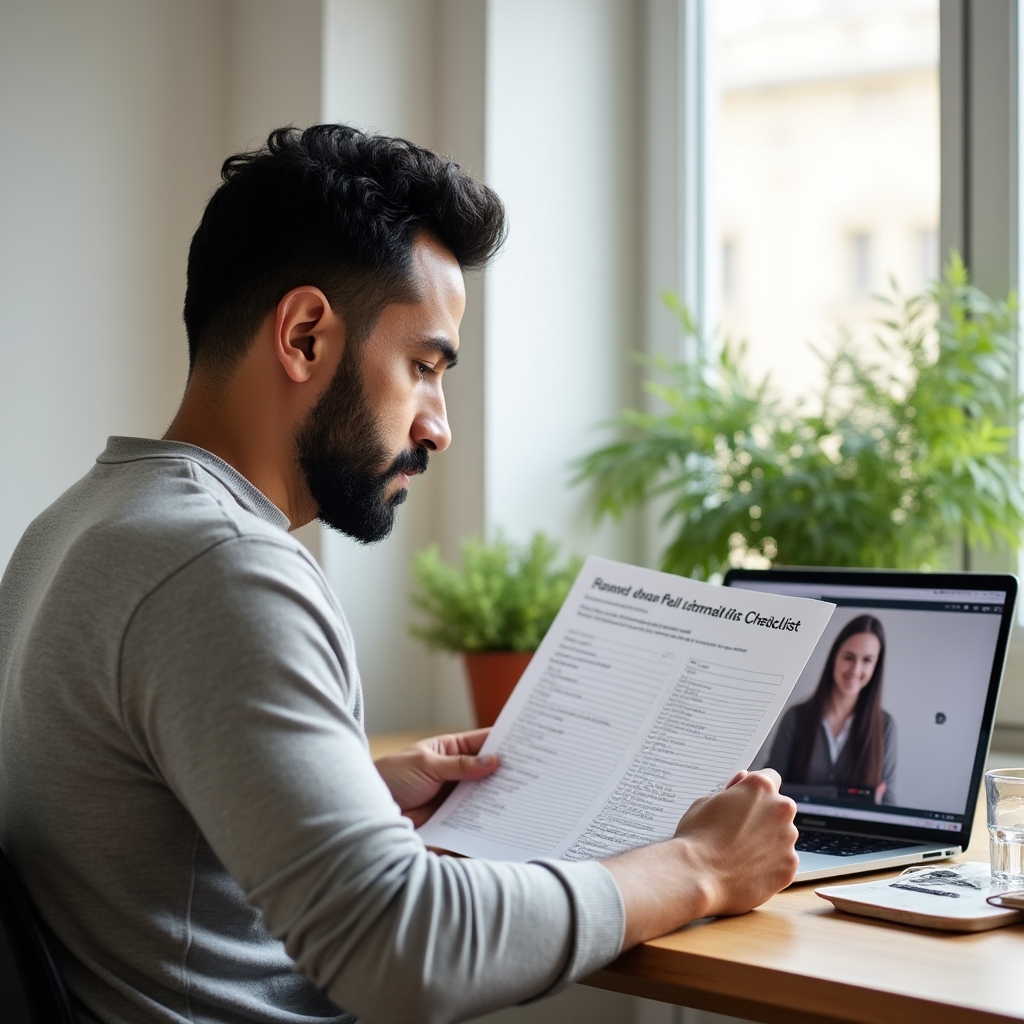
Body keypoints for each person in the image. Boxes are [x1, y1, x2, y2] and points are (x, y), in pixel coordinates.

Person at [0, 125, 799, 1024]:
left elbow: (132, 832)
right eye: (423, 366)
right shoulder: (224, 567)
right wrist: (699, 866)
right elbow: (400, 954)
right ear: (305, 336)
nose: (437, 426)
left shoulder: (79, 524)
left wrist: (360, 788)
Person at [766, 614, 897, 806]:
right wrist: (845, 795)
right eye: (849, 657)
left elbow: (887, 803)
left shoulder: (885, 726)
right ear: (834, 657)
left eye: (867, 660)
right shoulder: (795, 717)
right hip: (790, 828)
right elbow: (770, 789)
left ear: (876, 666)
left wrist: (801, 791)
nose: (855, 669)